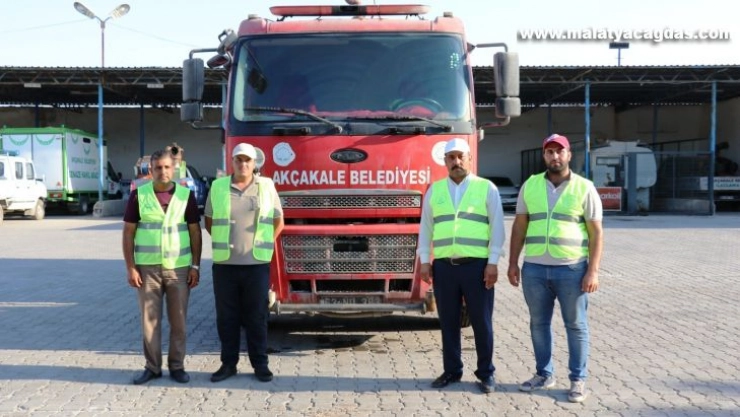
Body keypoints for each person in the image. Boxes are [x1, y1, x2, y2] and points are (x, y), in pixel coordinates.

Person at [507, 133, 604, 403]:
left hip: (571, 270)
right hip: (535, 270)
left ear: (569, 155)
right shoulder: (530, 185)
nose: (555, 156)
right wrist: (513, 263)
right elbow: (519, 227)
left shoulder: (584, 187)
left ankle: (578, 380)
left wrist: (593, 271)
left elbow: (596, 233)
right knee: (538, 324)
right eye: (550, 152)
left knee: (576, 325)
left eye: (560, 151)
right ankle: (544, 374)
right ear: (544, 156)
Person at [418, 138, 506, 394]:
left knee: (481, 322)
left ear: (469, 158)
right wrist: (425, 261)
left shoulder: (486, 188)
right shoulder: (435, 191)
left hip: (477, 267)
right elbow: (425, 228)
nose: (456, 161)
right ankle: (452, 370)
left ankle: (486, 373)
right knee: (448, 322)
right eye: (451, 157)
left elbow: (497, 228)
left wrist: (493, 263)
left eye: (460, 156)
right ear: (445, 161)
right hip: (444, 268)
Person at [205, 143, 284, 383]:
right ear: (232, 162)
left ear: (254, 163)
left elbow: (278, 221)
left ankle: (260, 365)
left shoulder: (266, 186)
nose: (243, 164)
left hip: (256, 264)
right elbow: (209, 221)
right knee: (226, 317)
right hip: (225, 265)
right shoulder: (218, 186)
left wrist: (264, 243)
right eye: (238, 160)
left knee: (256, 317)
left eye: (247, 160)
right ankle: (228, 364)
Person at [122, 149, 202, 385]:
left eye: (167, 167)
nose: (163, 171)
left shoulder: (186, 196)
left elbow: (195, 233)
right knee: (150, 322)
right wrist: (131, 267)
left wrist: (195, 266)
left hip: (179, 268)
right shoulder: (139, 195)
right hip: (147, 269)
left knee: (179, 321)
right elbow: (128, 233)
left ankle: (177, 367)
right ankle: (152, 367)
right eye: (158, 167)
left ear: (174, 169)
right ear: (151, 170)